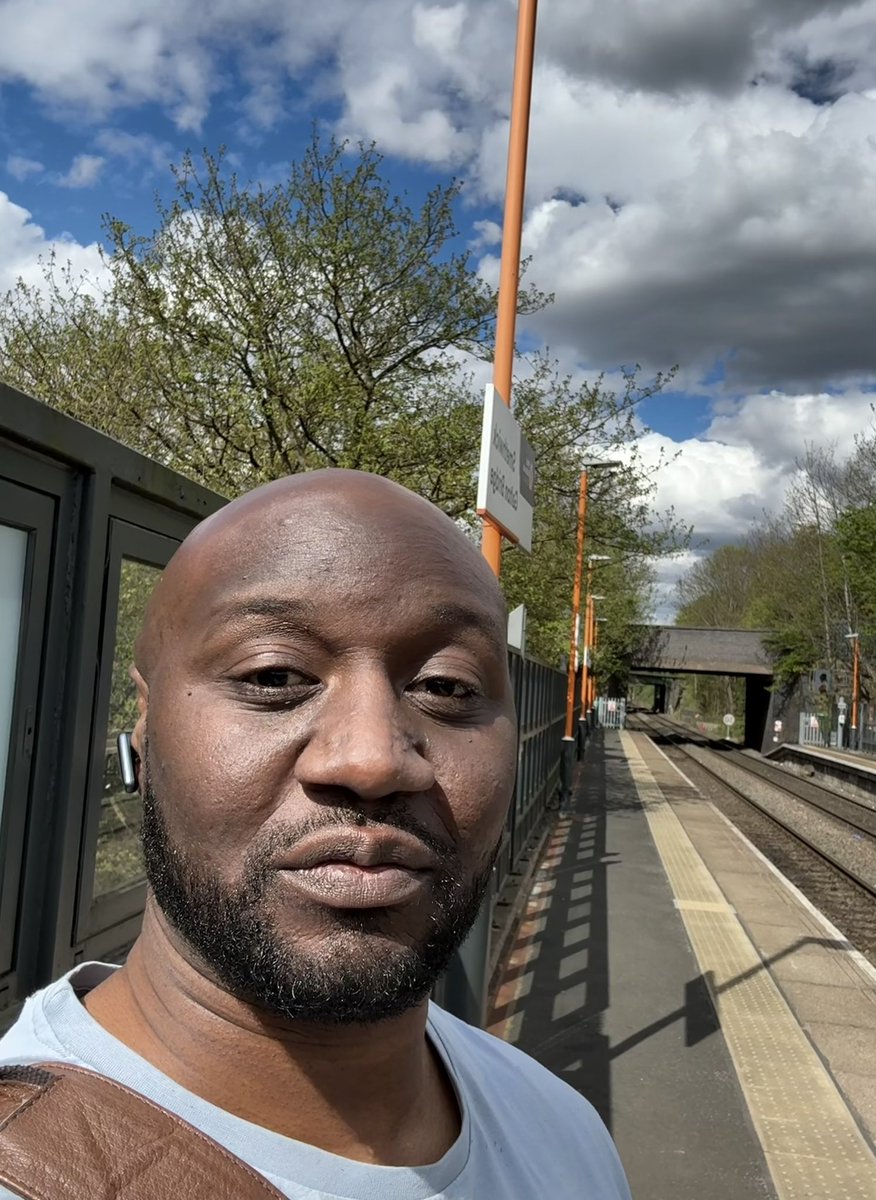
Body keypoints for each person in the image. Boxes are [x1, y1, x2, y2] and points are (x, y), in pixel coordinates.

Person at [0, 470, 631, 1199]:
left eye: (447, 686)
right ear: (145, 723)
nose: (371, 760)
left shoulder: (565, 1135)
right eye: (273, 676)